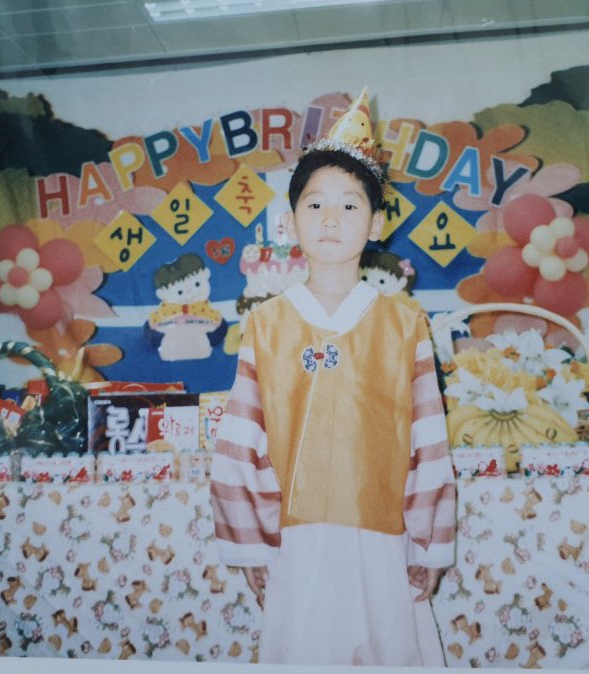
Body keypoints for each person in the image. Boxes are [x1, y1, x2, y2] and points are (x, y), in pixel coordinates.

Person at [209, 88, 456, 666]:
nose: (330, 219)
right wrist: (253, 547)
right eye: (315, 204)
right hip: (297, 543)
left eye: (350, 205)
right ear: (291, 220)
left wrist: (428, 543)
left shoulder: (404, 324)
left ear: (376, 223)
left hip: (383, 538)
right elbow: (240, 440)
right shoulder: (267, 324)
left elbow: (429, 441)